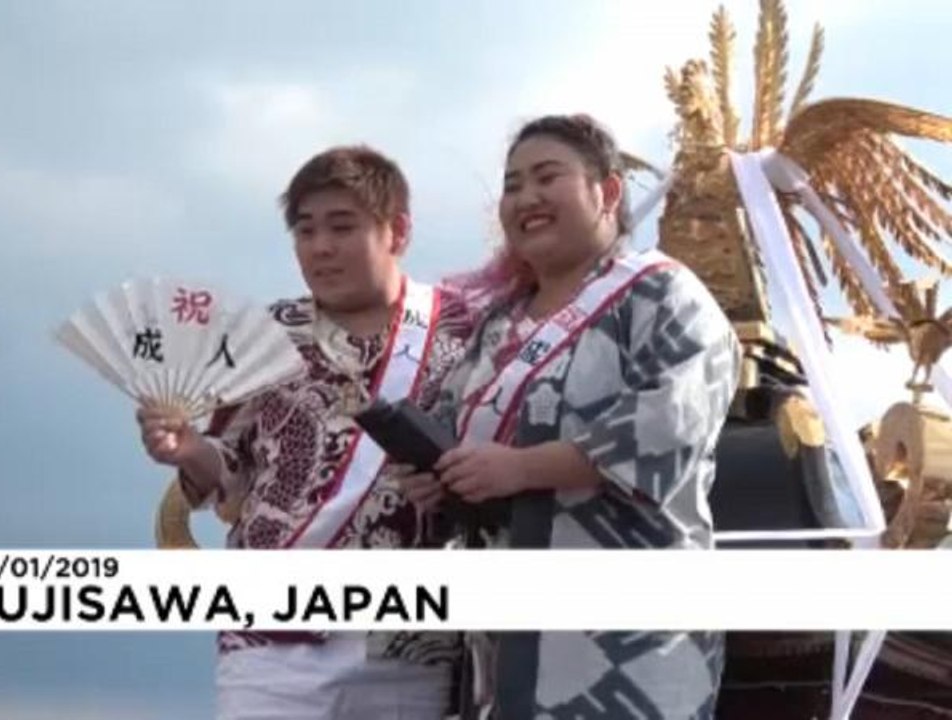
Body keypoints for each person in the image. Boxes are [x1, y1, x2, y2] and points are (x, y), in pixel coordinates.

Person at [400, 114, 741, 719]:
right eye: (511, 185)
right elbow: (457, 434)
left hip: (627, 640)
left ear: (607, 192)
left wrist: (523, 468)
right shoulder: (495, 326)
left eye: (546, 177)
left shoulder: (662, 294)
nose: (525, 198)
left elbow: (669, 427)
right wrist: (441, 475)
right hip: (504, 642)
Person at [136, 145, 473, 720]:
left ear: (398, 231)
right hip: (270, 640)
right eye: (305, 230)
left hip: (410, 638)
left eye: (343, 227)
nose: (320, 247)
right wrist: (189, 450)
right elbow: (230, 471)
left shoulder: (467, 328)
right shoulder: (265, 334)